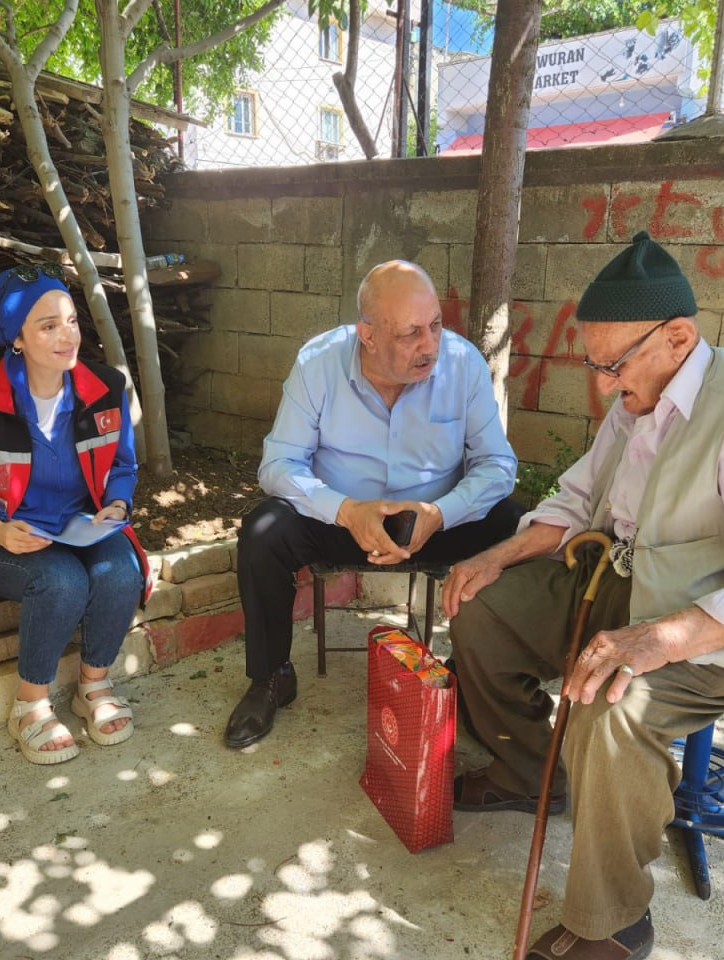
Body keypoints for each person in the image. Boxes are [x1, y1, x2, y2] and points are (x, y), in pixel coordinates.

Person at [443, 232, 724, 960]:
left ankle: (615, 921)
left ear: (678, 337)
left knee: (611, 711)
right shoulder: (637, 394)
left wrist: (657, 640)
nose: (601, 385)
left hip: (719, 629)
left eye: (611, 364)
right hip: (621, 582)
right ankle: (532, 774)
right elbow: (579, 496)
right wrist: (498, 554)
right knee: (482, 608)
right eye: (594, 364)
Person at [225, 259, 525, 748]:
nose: (430, 345)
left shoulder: (463, 362)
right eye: (411, 334)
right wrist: (345, 510)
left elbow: (497, 465)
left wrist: (442, 512)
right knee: (263, 531)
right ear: (367, 335)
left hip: (435, 521)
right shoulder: (318, 362)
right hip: (341, 519)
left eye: (435, 325)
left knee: (518, 526)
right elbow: (278, 464)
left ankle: (477, 679)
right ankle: (270, 678)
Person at [0, 264, 151, 766]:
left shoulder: (104, 386)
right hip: (7, 536)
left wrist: (118, 502)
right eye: (48, 326)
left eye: (72, 321)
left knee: (121, 569)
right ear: (16, 339)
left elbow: (123, 465)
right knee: (61, 583)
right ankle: (30, 705)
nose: (67, 336)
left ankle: (92, 687)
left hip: (82, 524)